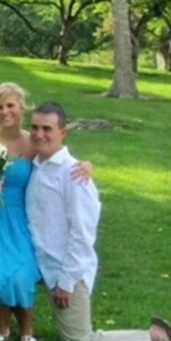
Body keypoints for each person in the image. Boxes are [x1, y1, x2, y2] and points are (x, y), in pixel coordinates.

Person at [26, 101, 171, 341]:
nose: (39, 134)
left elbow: (83, 233)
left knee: (81, 339)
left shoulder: (74, 175)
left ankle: (152, 336)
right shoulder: (36, 163)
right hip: (35, 259)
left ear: (63, 132)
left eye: (47, 129)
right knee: (0, 284)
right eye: (35, 127)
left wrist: (67, 281)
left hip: (64, 267)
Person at [0, 84, 93, 341]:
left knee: (20, 276)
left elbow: (61, 159)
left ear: (22, 106)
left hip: (19, 221)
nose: (5, 111)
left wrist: (88, 165)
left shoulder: (32, 143)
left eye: (10, 105)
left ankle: (26, 334)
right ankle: (1, 329)